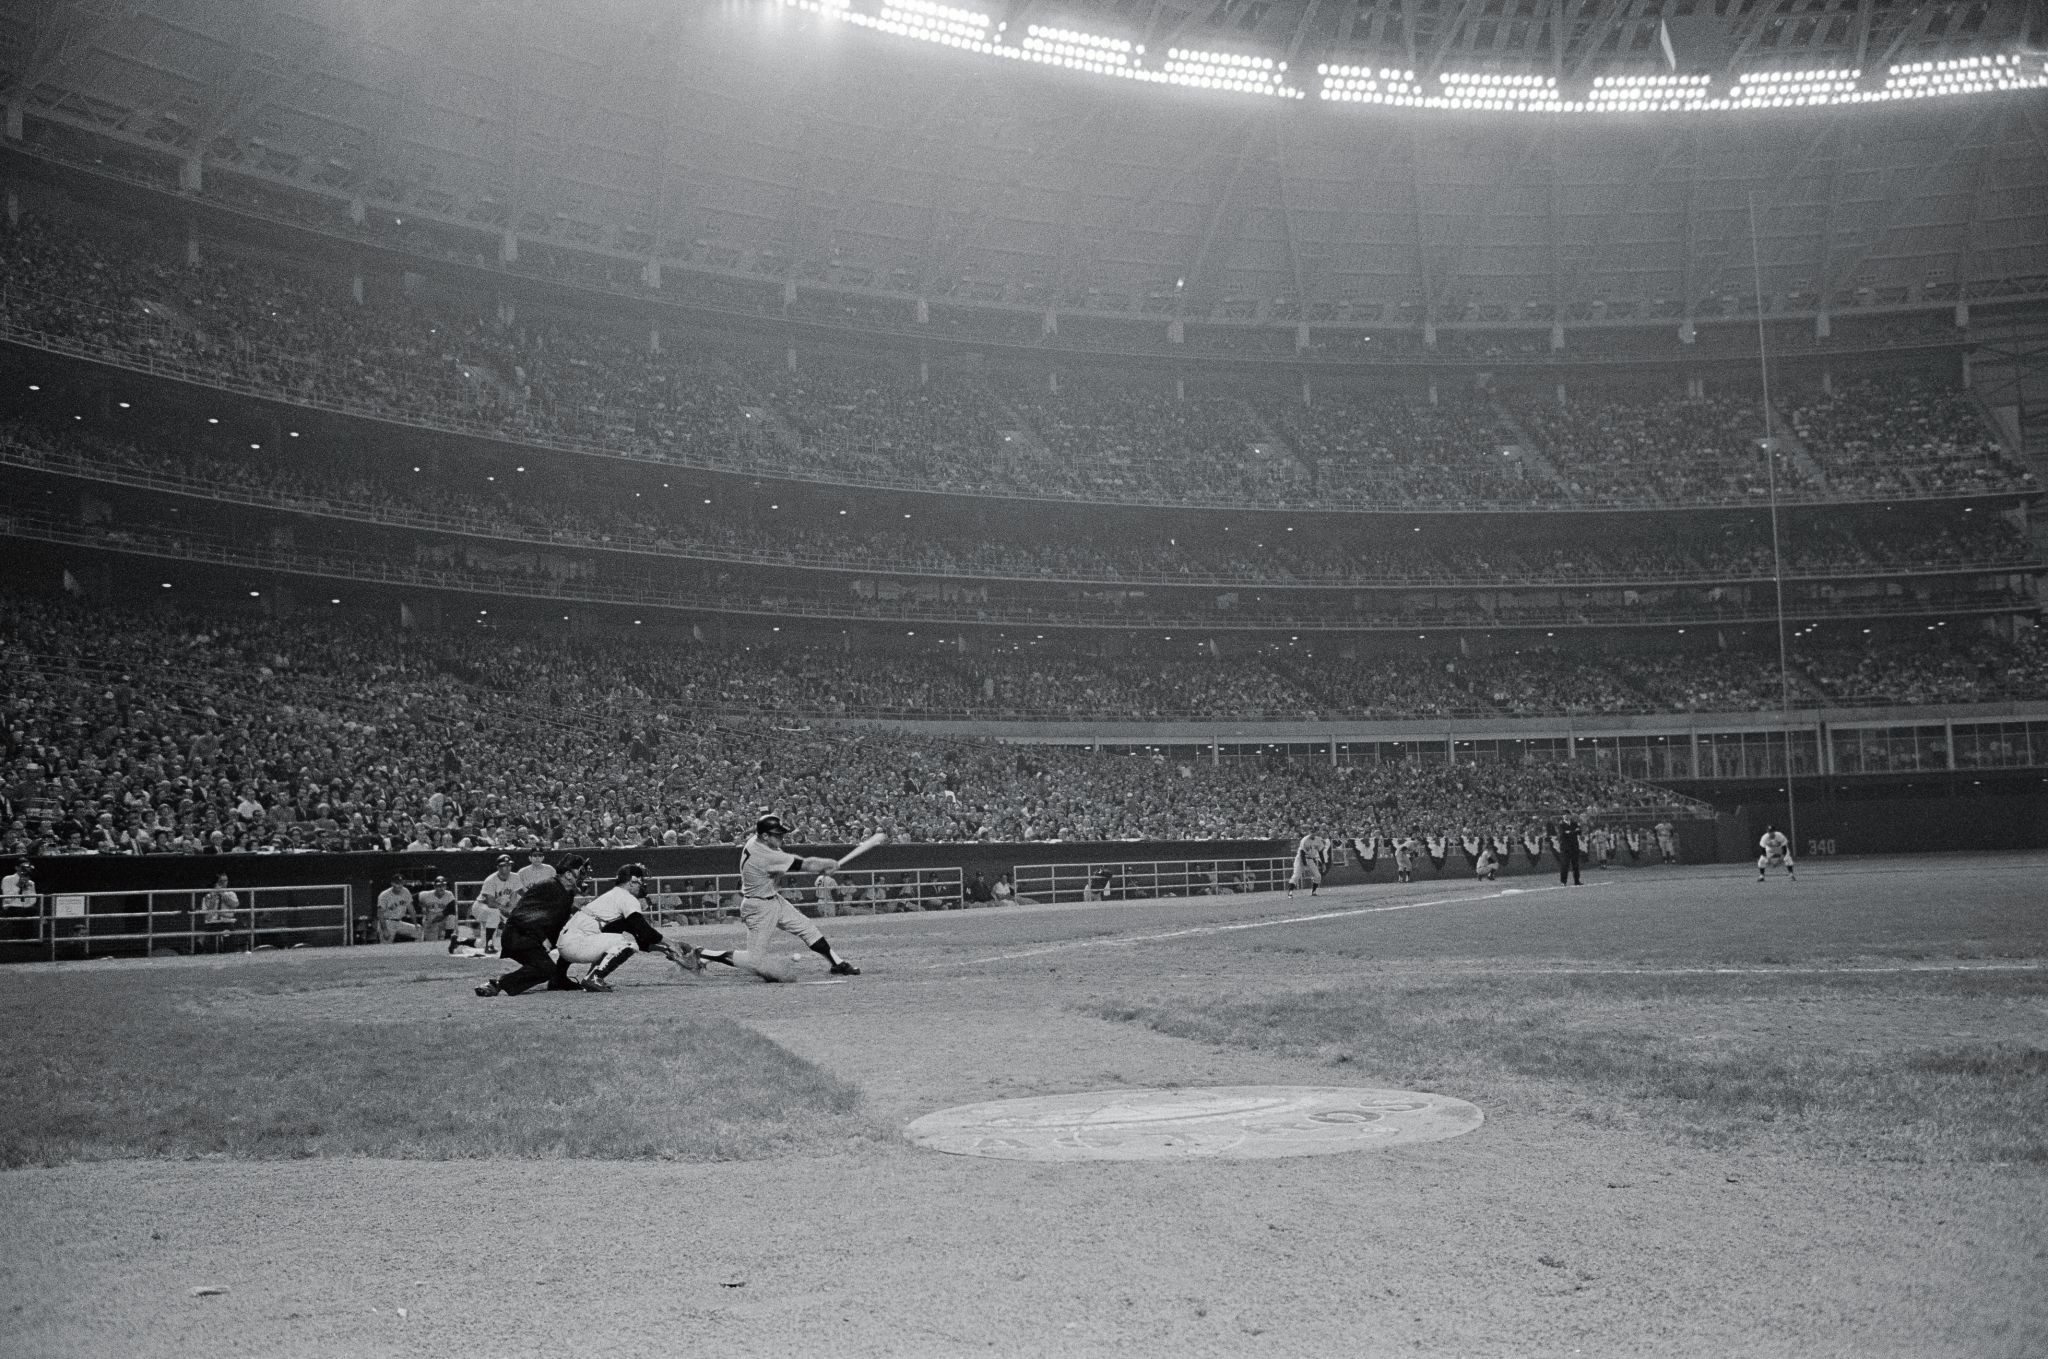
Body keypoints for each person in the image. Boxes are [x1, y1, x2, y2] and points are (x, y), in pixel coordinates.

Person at [697, 815, 860, 981]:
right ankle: (703, 954)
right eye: (777, 835)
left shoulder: (757, 840)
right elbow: (807, 864)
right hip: (758, 907)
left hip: (774, 899)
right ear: (765, 836)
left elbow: (794, 863)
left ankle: (837, 963)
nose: (782, 838)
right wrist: (829, 864)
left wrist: (821, 868)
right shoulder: (764, 855)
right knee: (755, 961)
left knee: (808, 929)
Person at [554, 861, 698, 991]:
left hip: (567, 945)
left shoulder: (613, 897)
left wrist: (663, 949)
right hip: (576, 945)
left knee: (620, 942)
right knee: (626, 944)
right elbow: (644, 931)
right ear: (631, 882)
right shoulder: (626, 898)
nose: (643, 885)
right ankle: (594, 978)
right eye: (641, 881)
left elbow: (640, 937)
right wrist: (672, 944)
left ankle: (559, 979)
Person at [477, 855, 592, 997]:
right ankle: (498, 983)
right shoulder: (548, 886)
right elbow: (520, 915)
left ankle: (559, 979)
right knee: (546, 969)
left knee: (570, 939)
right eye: (581, 871)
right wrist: (542, 938)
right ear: (568, 874)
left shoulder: (566, 892)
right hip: (518, 936)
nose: (584, 875)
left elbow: (561, 920)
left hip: (533, 937)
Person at [474, 854, 523, 954]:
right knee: (494, 913)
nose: (508, 867)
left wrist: (509, 911)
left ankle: (459, 941)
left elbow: (513, 899)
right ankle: (489, 946)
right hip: (481, 907)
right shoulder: (491, 880)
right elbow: (490, 903)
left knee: (482, 942)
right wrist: (505, 910)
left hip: (498, 908)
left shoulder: (515, 877)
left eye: (509, 865)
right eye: (504, 865)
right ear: (498, 867)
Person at [198, 871, 239, 952]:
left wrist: (222, 894)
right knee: (211, 947)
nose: (224, 883)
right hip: (212, 924)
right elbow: (207, 917)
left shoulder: (231, 893)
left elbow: (235, 905)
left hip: (227, 922)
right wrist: (214, 896)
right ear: (216, 883)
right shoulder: (208, 896)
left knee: (229, 947)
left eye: (226, 880)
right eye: (221, 881)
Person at [419, 876, 460, 952]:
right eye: (439, 886)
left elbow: (452, 910)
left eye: (444, 886)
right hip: (430, 922)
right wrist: (421, 906)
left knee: (452, 917)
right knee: (431, 947)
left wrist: (440, 915)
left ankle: (449, 940)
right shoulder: (425, 894)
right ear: (434, 886)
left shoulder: (449, 894)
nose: (441, 888)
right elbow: (411, 900)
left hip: (442, 921)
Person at [375, 871, 419, 943]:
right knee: (386, 947)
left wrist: (415, 924)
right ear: (392, 883)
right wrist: (385, 930)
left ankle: (415, 952)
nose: (399, 885)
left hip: (399, 922)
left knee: (418, 931)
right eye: (397, 883)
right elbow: (380, 914)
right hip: (387, 923)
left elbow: (411, 909)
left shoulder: (406, 891)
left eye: (401, 883)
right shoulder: (384, 895)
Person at [1, 859, 36, 941]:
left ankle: (29, 938)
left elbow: (33, 900)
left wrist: (27, 889)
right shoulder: (7, 879)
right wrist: (18, 886)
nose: (26, 869)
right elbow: (7, 899)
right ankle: (19, 937)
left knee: (32, 910)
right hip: (11, 906)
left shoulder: (31, 882)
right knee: (20, 911)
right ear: (16, 867)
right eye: (23, 867)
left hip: (26, 907)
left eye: (27, 867)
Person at [1288, 832, 1330, 897]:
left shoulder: (1318, 840)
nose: (1312, 834)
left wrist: (1323, 863)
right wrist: (1305, 865)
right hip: (1300, 859)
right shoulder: (1305, 840)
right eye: (1311, 832)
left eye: (1314, 832)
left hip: (1310, 859)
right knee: (1296, 875)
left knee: (1318, 876)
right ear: (1309, 833)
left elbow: (1320, 852)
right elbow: (1302, 853)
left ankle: (1313, 892)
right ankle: (1290, 892)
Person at [1555, 811, 1584, 886]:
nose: (1566, 816)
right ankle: (1563, 881)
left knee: (1576, 865)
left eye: (1567, 815)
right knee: (1565, 865)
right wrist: (1573, 832)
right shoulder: (1561, 824)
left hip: (1574, 846)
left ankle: (1577, 881)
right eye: (1564, 815)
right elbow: (1563, 834)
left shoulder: (1574, 823)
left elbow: (1579, 831)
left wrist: (1570, 832)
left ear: (1570, 816)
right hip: (1565, 848)